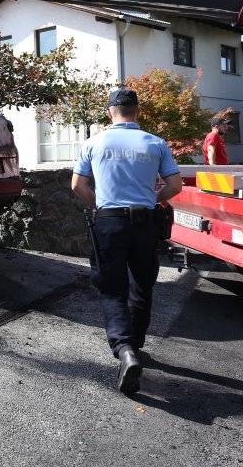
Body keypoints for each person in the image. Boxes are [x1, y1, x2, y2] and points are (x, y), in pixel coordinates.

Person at [71, 88, 182, 395]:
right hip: (145, 221)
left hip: (109, 221)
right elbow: (175, 184)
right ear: (137, 111)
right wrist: (153, 199)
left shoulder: (94, 142)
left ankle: (124, 349)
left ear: (111, 112)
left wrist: (98, 206)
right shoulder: (155, 143)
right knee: (142, 283)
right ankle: (136, 344)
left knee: (111, 287)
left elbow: (77, 184)